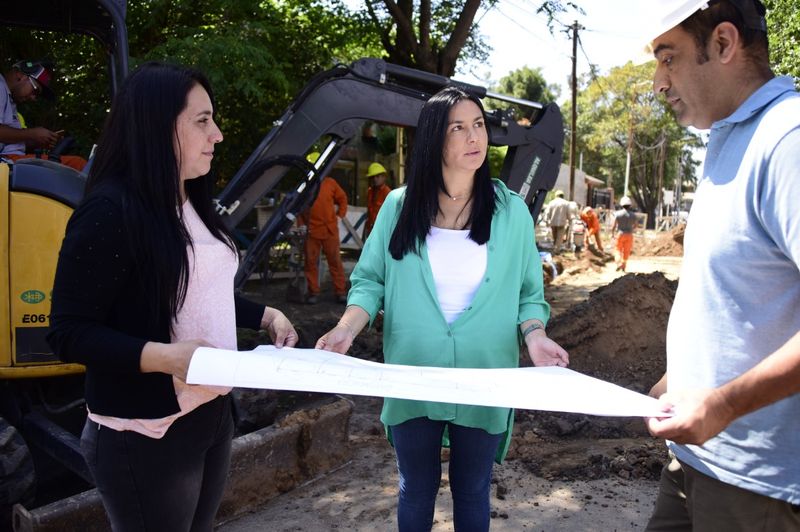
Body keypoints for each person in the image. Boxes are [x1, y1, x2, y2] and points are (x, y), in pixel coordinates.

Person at [46, 62, 298, 531]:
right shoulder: (110, 211)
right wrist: (168, 358)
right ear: (157, 127)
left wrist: (266, 314)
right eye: (202, 121)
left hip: (209, 412)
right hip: (146, 433)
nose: (218, 134)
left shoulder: (188, 198)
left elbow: (195, 291)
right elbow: (68, 333)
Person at [314, 86, 569, 531]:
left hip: (485, 375)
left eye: (478, 126)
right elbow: (371, 280)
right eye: (459, 128)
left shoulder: (511, 212)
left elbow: (529, 293)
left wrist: (536, 336)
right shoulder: (399, 205)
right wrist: (345, 329)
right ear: (435, 138)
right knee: (416, 486)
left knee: (472, 489)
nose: (475, 137)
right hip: (413, 373)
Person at [643, 0, 800, 529]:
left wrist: (723, 406)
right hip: (695, 460)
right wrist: (679, 378)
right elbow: (739, 290)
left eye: (668, 58)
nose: (658, 82)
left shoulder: (787, 140)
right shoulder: (729, 137)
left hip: (756, 484)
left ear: (724, 43)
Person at [0, 60, 87, 171]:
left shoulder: (10, 99)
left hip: (11, 161)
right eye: (35, 90)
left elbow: (9, 142)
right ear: (20, 75)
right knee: (78, 165)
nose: (33, 98)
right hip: (6, 163)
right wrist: (32, 133)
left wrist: (38, 141)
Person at [297, 152, 349, 304]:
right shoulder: (305, 186)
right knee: (310, 263)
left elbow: (342, 198)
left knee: (335, 262)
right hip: (312, 231)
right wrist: (301, 225)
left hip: (329, 231)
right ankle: (314, 293)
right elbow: (299, 208)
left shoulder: (330, 183)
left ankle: (340, 292)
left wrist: (340, 214)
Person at [364, 161, 391, 239]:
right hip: (370, 230)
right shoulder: (370, 191)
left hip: (382, 232)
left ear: (384, 177)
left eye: (377, 176)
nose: (375, 179)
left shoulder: (388, 193)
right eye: (373, 177)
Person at [610, 196, 637, 271]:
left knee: (617, 250)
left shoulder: (617, 214)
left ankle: (618, 263)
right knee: (626, 251)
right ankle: (624, 266)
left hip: (620, 234)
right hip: (629, 235)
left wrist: (612, 234)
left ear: (621, 204)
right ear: (630, 205)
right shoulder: (633, 215)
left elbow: (613, 225)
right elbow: (635, 226)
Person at [544, 189, 570, 253]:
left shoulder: (551, 202)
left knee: (555, 236)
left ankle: (555, 248)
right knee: (559, 237)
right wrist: (570, 220)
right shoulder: (566, 203)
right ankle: (556, 250)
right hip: (562, 222)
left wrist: (547, 221)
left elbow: (547, 213)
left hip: (553, 222)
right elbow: (569, 213)